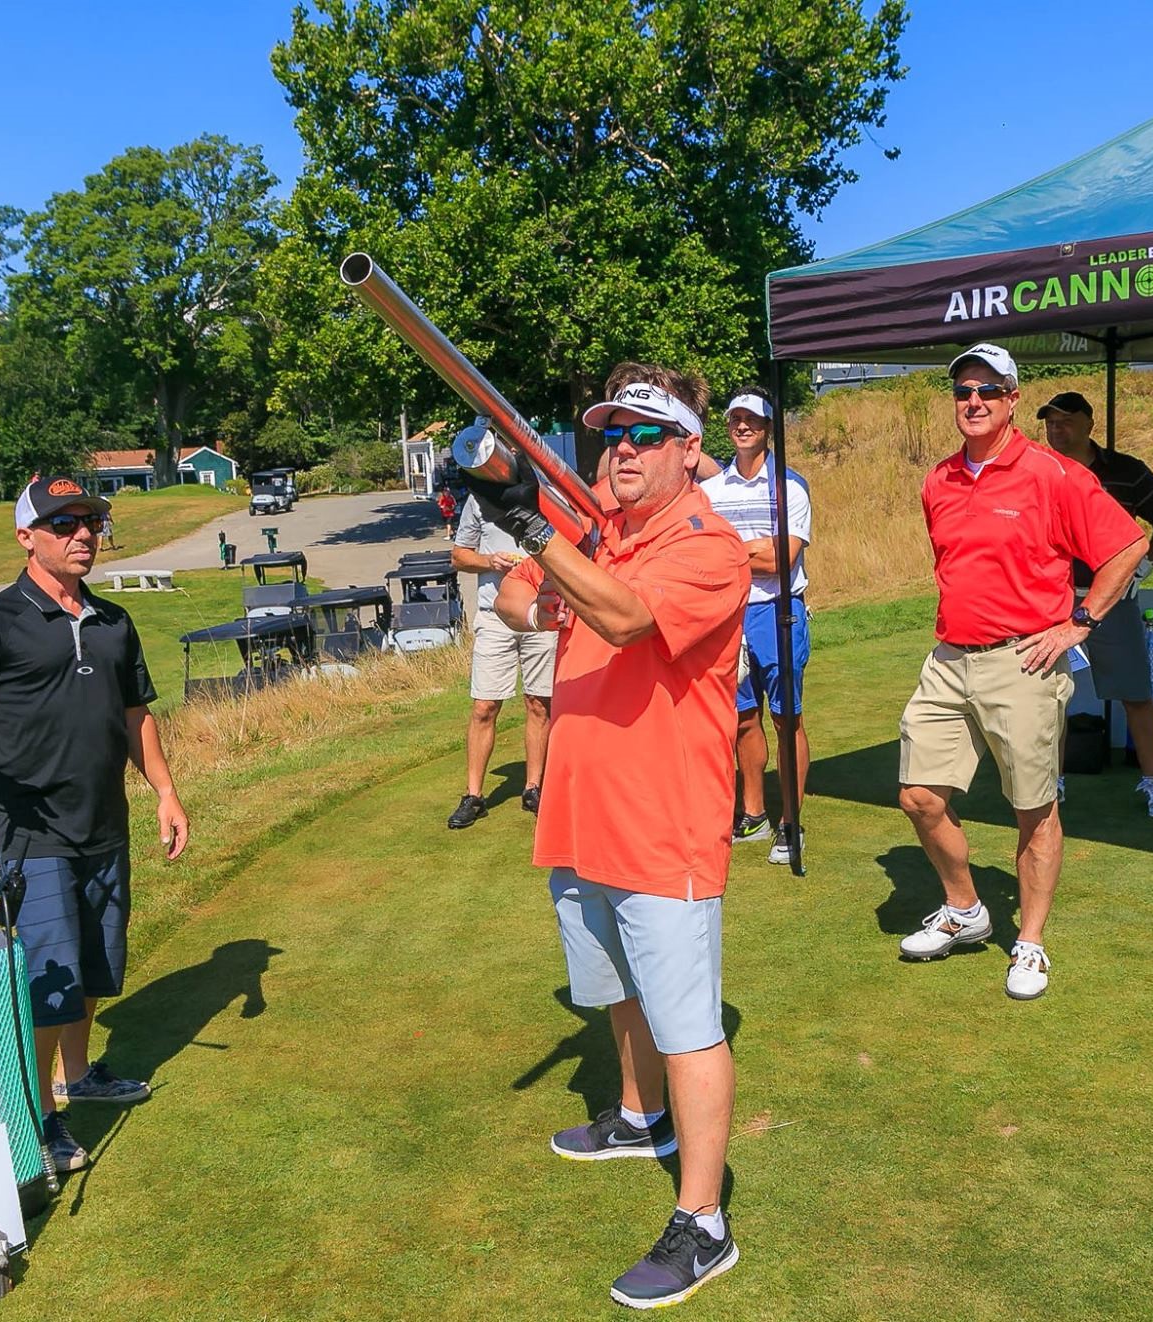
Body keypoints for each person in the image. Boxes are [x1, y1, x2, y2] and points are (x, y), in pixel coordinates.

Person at [482, 362, 749, 1310]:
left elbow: (630, 619)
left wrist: (535, 537)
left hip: (661, 823)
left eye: (644, 435)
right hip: (580, 811)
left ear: (687, 449)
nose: (621, 449)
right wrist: (547, 581)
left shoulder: (711, 549)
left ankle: (704, 1222)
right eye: (610, 435)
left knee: (689, 1029)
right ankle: (640, 1118)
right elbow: (515, 600)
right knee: (616, 995)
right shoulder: (600, 530)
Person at [0, 475, 191, 1175]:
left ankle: (80, 1073)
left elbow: (136, 716)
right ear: (26, 537)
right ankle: (40, 1118)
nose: (82, 536)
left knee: (95, 960)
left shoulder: (113, 622)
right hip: (32, 829)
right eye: (64, 524)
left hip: (105, 819)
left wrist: (164, 791)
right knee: (49, 974)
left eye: (89, 523)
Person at [897, 345, 1146, 1001]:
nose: (971, 400)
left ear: (1011, 399)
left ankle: (1029, 944)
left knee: (1031, 810)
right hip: (948, 657)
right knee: (918, 797)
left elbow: (1128, 544)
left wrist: (1080, 622)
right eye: (961, 390)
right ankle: (965, 909)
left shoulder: (1052, 474)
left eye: (986, 389)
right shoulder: (938, 480)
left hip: (1023, 660)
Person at [1039, 390, 1153, 817]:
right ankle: (1053, 780)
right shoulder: (1037, 471)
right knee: (1049, 696)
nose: (1056, 429)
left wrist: (1148, 563)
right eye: (1050, 422)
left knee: (1136, 692)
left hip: (1111, 600)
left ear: (1088, 424)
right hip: (1053, 601)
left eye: (1065, 421)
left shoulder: (1124, 471)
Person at [701, 385, 813, 864]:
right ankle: (754, 812)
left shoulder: (789, 486)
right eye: (735, 419)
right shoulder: (710, 491)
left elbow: (783, 558)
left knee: (787, 718)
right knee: (742, 717)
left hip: (777, 612)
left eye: (752, 419)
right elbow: (702, 556)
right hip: (727, 615)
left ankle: (791, 823)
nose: (742, 426)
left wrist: (731, 553)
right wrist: (751, 551)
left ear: (768, 428)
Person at [446, 487, 556, 827]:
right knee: (484, 706)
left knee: (539, 703)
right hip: (494, 615)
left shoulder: (549, 495)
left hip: (542, 609)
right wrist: (488, 561)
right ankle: (473, 795)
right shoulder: (480, 499)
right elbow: (459, 556)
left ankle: (534, 788)